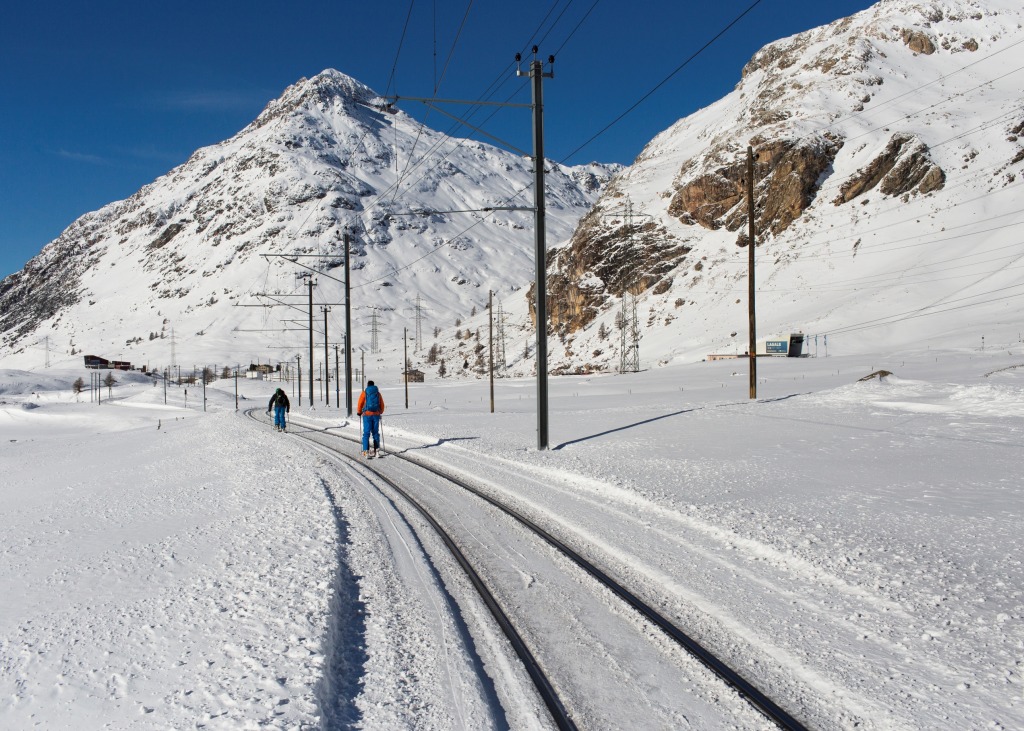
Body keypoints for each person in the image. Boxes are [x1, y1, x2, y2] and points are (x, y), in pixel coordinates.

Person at [357, 380, 385, 457]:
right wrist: (380, 412)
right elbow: (382, 404)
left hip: (367, 415)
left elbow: (360, 403)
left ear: (368, 385)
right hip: (376, 415)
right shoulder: (378, 393)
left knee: (366, 433)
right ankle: (377, 451)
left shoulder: (364, 392)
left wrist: (359, 412)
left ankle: (366, 451)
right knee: (375, 433)